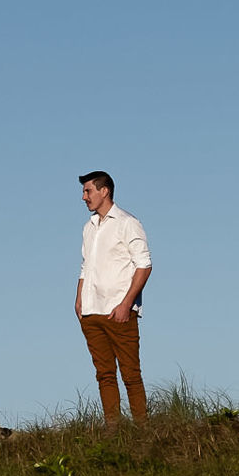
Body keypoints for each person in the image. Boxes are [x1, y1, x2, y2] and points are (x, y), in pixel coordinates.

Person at [75, 171, 153, 427]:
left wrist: (126, 304)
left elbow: (144, 265)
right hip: (91, 311)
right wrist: (79, 300)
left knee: (131, 374)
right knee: (104, 374)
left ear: (104, 191)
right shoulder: (89, 227)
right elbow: (86, 266)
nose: (84, 197)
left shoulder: (127, 222)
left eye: (88, 191)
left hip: (119, 311)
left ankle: (142, 429)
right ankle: (113, 429)